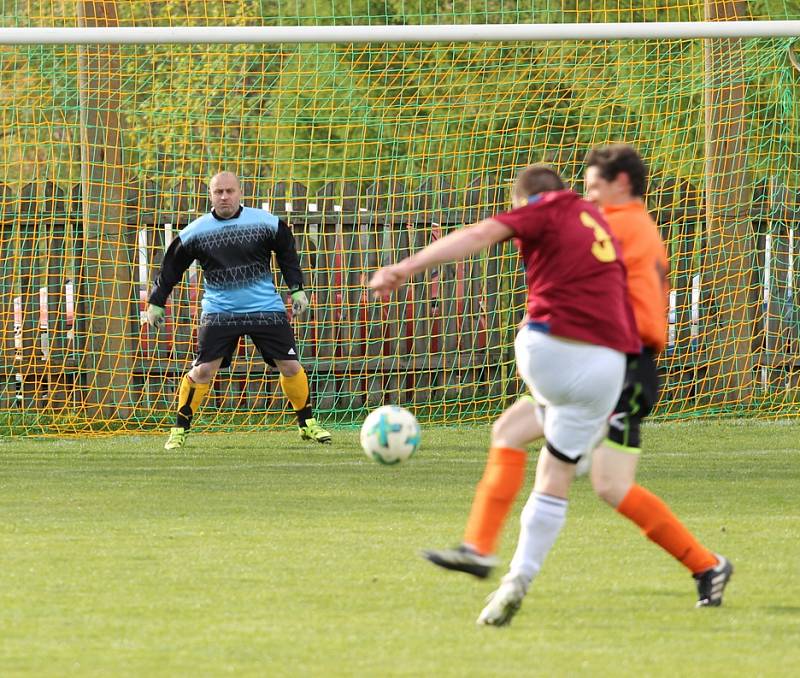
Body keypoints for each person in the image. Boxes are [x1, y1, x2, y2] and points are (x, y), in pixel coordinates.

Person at [423, 145, 733, 626]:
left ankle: (706, 564)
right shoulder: (624, 222)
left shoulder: (615, 224)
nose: (585, 197)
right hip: (600, 359)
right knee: (510, 430)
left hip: (624, 365)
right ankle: (478, 547)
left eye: (591, 187)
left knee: (608, 485)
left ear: (622, 184)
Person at [370, 162, 641, 621]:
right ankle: (512, 576)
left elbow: (476, 236)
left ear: (527, 200)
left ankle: (487, 544)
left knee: (532, 367)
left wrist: (404, 267)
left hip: (555, 352)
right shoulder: (595, 219)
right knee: (523, 442)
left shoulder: (544, 208)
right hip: (611, 369)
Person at [146, 171, 331, 450]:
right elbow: (171, 268)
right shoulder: (195, 231)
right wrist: (156, 301)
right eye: (218, 192)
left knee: (291, 365)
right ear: (210, 195)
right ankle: (179, 430)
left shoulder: (265, 223)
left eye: (229, 191)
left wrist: (297, 288)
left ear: (239, 192)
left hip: (265, 308)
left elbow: (287, 251)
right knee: (203, 370)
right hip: (220, 311)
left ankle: (307, 424)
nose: (224, 197)